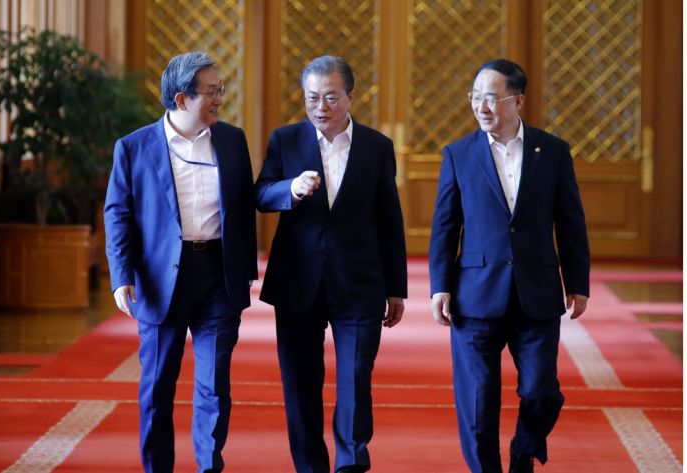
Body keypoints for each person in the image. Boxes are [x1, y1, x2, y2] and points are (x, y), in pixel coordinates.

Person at [428, 59, 590, 473]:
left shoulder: (552, 151)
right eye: (475, 98)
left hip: (536, 293)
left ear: (518, 101)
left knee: (541, 391)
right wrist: (439, 286)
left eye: (492, 99)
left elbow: (570, 220)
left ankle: (523, 450)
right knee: (478, 405)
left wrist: (577, 281)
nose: (481, 107)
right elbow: (445, 226)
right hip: (475, 296)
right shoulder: (458, 154)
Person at [104, 51, 257, 473]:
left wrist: (245, 271)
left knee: (214, 385)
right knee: (157, 386)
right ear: (181, 99)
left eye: (220, 90)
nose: (220, 99)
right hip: (160, 281)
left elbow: (244, 206)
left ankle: (209, 466)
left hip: (218, 277)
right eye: (211, 92)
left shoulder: (232, 141)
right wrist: (121, 276)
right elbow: (117, 214)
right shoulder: (133, 147)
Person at [255, 55, 407, 473]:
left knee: (355, 378)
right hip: (297, 281)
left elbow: (389, 219)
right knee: (301, 385)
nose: (320, 107)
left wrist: (396, 288)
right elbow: (261, 194)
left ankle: (351, 463)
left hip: (359, 283)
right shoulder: (285, 140)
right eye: (312, 98)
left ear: (350, 96)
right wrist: (291, 189)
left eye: (330, 97)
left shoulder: (377, 146)